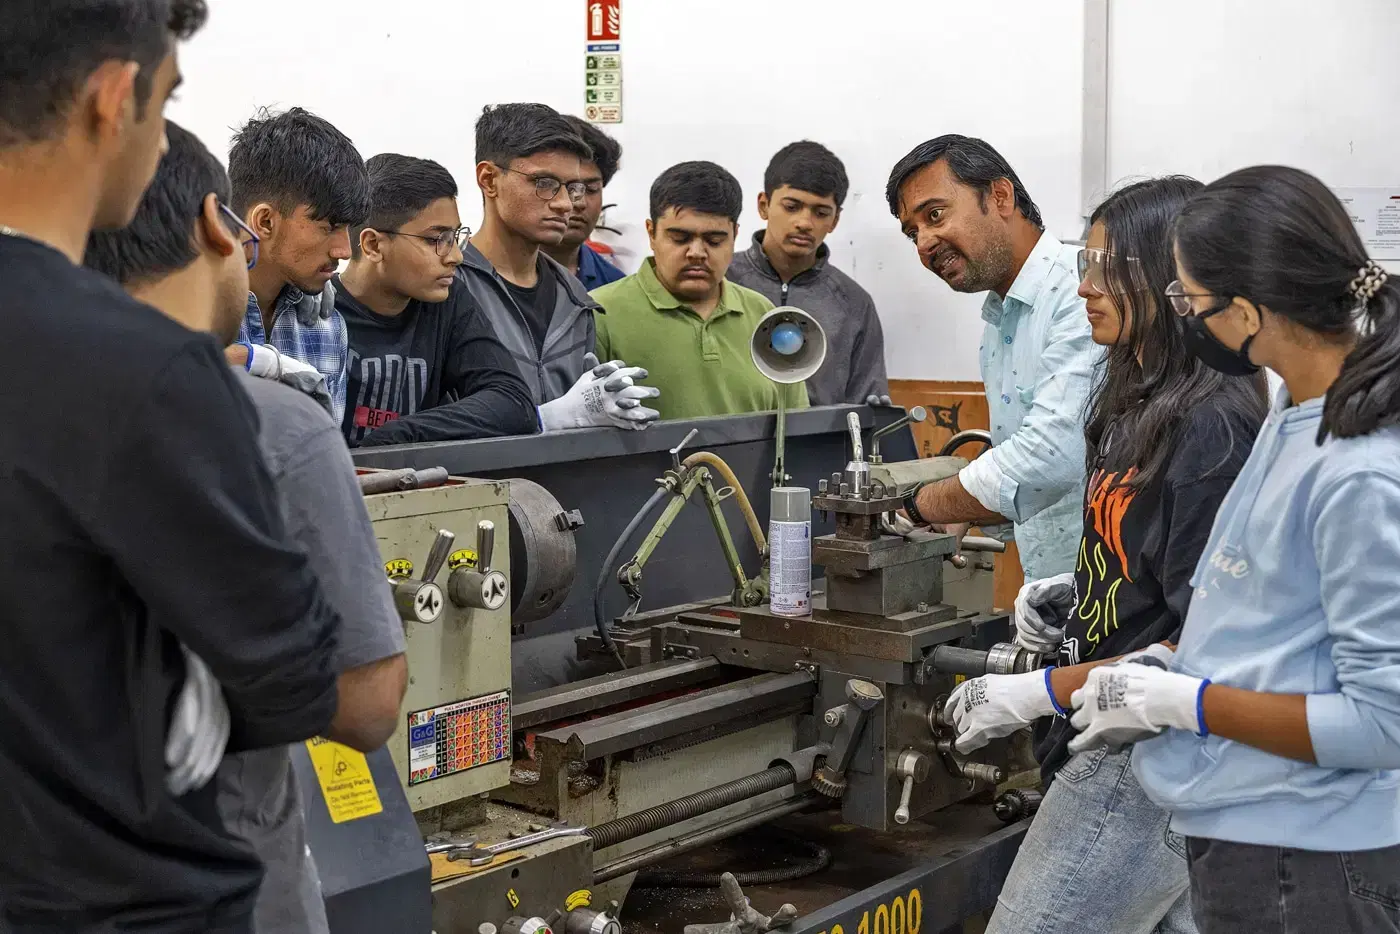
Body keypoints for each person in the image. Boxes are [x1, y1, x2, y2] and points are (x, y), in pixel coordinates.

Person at [0, 3, 348, 931]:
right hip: (123, 900)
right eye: (168, 102)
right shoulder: (144, 370)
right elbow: (300, 676)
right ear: (116, 100)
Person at [85, 121, 410, 934]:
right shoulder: (277, 427)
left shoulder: (35, 390)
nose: (341, 248)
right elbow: (368, 705)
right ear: (224, 228)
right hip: (221, 878)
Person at [1069, 166, 1400, 934]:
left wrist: (1190, 703)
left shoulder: (1358, 470)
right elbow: (1257, 603)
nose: (1185, 317)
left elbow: (1384, 725)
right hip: (1250, 826)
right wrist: (1161, 664)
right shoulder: (1295, 411)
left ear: (1247, 311)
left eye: (1189, 301)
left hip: (1309, 855)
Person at [941, 177, 1268, 934]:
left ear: (1168, 276)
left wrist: (1037, 692)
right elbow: (1152, 553)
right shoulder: (1132, 396)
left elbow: (1210, 642)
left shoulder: (1213, 424)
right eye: (1083, 262)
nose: (1084, 285)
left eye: (1103, 265)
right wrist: (1081, 586)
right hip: (1101, 730)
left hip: (1145, 751)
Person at [887, 135, 1099, 581]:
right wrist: (969, 510)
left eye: (935, 215)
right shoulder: (998, 325)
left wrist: (919, 504)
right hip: (1057, 593)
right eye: (913, 232)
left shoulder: (1083, 292)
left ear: (1000, 196)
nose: (924, 243)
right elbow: (1044, 489)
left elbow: (1051, 458)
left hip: (1115, 596)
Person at [339, 152, 657, 444]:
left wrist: (395, 436)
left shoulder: (446, 304)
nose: (455, 257)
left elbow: (512, 402)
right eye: (437, 240)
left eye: (455, 237)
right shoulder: (319, 314)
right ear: (373, 246)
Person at [462, 102, 646, 415]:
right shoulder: (447, 287)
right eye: (544, 184)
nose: (565, 204)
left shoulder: (576, 300)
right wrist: (542, 420)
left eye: (572, 187)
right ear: (489, 180)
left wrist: (600, 410)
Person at [591, 161, 809, 420]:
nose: (696, 253)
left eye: (714, 241)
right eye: (680, 238)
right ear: (652, 233)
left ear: (735, 235)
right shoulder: (600, 314)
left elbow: (796, 425)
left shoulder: (763, 315)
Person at [228, 106, 372, 425]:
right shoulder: (183, 311)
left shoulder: (326, 326)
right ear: (265, 221)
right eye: (329, 226)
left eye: (348, 229)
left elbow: (322, 457)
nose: (345, 250)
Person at [728, 140, 891, 406]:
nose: (804, 223)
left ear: (835, 220)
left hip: (819, 445)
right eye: (791, 207)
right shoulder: (721, 280)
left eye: (821, 212)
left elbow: (866, 404)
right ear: (763, 205)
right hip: (726, 444)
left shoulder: (854, 303)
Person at [541, 115, 626, 291]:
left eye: (592, 188)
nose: (578, 203)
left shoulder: (614, 287)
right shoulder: (477, 278)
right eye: (567, 187)